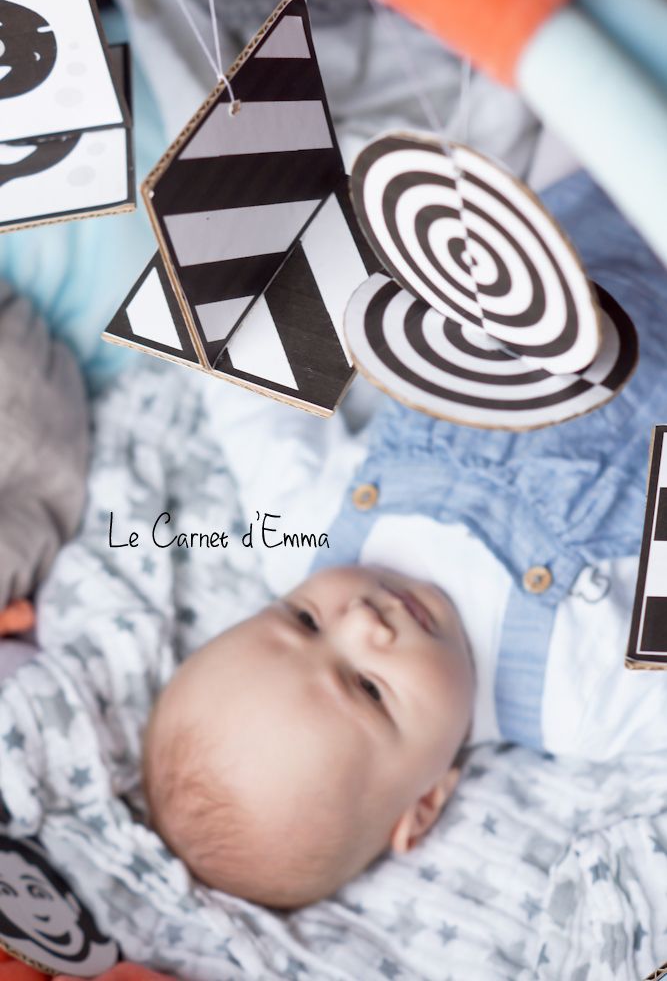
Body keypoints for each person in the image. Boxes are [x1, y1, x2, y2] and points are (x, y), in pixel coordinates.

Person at [141, 169, 667, 909]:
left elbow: (254, 402)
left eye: (300, 619)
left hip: (570, 236)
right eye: (364, 686)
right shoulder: (577, 698)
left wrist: (224, 261)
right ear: (424, 803)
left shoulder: (308, 539)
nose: (360, 620)